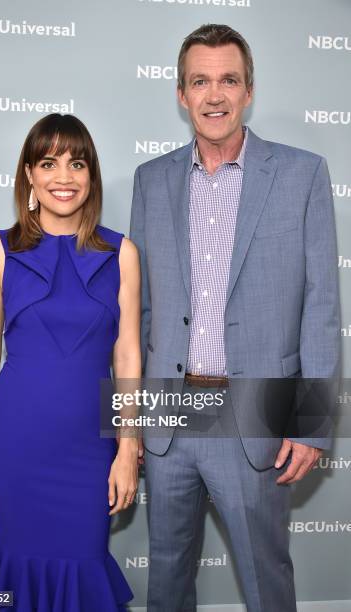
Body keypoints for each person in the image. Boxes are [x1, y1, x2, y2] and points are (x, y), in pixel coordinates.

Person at [130, 24, 340, 612]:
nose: (214, 95)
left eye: (228, 80)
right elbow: (138, 312)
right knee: (166, 578)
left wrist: (312, 423)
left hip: (256, 415)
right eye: (200, 81)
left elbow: (322, 305)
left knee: (265, 579)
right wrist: (131, 419)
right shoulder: (152, 180)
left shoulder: (302, 175)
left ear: (249, 91)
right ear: (181, 93)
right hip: (169, 414)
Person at [0, 113, 140, 611]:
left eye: (77, 163)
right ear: (29, 176)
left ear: (92, 176)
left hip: (88, 448)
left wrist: (128, 448)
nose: (64, 176)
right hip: (15, 444)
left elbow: (127, 353)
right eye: (49, 163)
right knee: (19, 564)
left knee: (83, 561)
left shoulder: (122, 254)